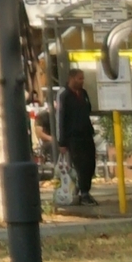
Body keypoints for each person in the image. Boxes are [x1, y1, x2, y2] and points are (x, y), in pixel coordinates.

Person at [57, 67, 97, 206]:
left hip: (86, 133)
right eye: (80, 78)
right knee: (81, 164)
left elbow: (88, 108)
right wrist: (62, 142)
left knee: (91, 163)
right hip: (74, 136)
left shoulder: (83, 93)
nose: (82, 81)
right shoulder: (65, 95)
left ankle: (83, 188)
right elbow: (62, 118)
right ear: (72, 78)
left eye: (83, 78)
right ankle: (84, 193)